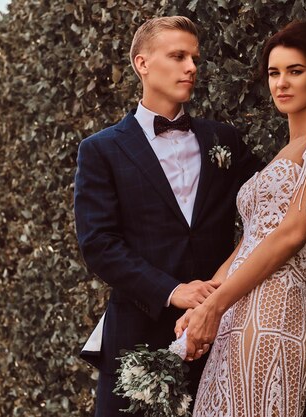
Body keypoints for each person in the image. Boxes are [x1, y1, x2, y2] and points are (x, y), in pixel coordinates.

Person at [73, 16, 261, 417]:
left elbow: (265, 208)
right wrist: (173, 291)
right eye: (178, 56)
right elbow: (99, 245)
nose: (191, 67)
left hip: (219, 333)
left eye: (194, 58)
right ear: (143, 64)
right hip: (135, 340)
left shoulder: (222, 139)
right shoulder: (101, 150)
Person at [174, 21, 306, 417]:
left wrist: (214, 307)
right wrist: (203, 300)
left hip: (276, 316)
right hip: (233, 313)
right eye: (274, 72)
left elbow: (290, 235)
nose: (281, 83)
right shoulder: (279, 154)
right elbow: (250, 240)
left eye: (295, 71)